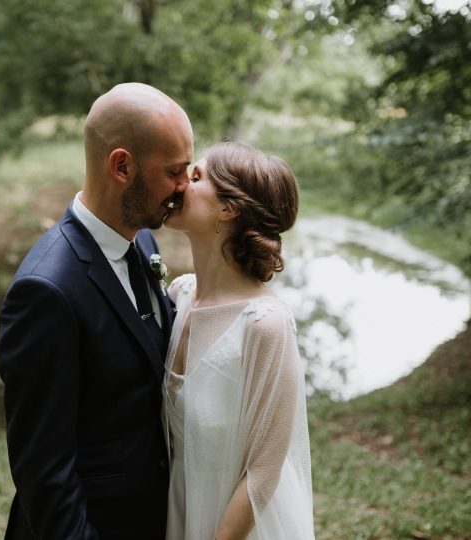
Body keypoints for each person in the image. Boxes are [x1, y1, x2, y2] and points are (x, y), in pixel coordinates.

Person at [0, 82, 194, 539]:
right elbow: (45, 473)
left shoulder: (142, 240)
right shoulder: (44, 292)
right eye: (175, 172)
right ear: (121, 166)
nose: (185, 187)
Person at [162, 141, 315, 539]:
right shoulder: (178, 296)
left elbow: (264, 472)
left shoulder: (265, 324)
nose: (179, 185)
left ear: (228, 209)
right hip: (179, 507)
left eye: (195, 177)